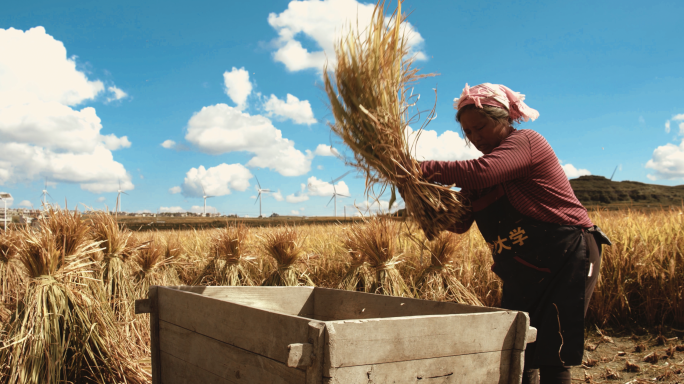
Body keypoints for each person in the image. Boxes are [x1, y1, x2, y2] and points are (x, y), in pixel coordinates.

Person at [416, 83, 611, 384]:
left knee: (552, 350)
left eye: (480, 127)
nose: (475, 137)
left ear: (503, 119)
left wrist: (418, 168)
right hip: (524, 268)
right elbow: (458, 222)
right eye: (468, 132)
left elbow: (482, 171)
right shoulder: (481, 173)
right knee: (518, 348)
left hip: (568, 255)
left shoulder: (526, 143)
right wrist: (420, 196)